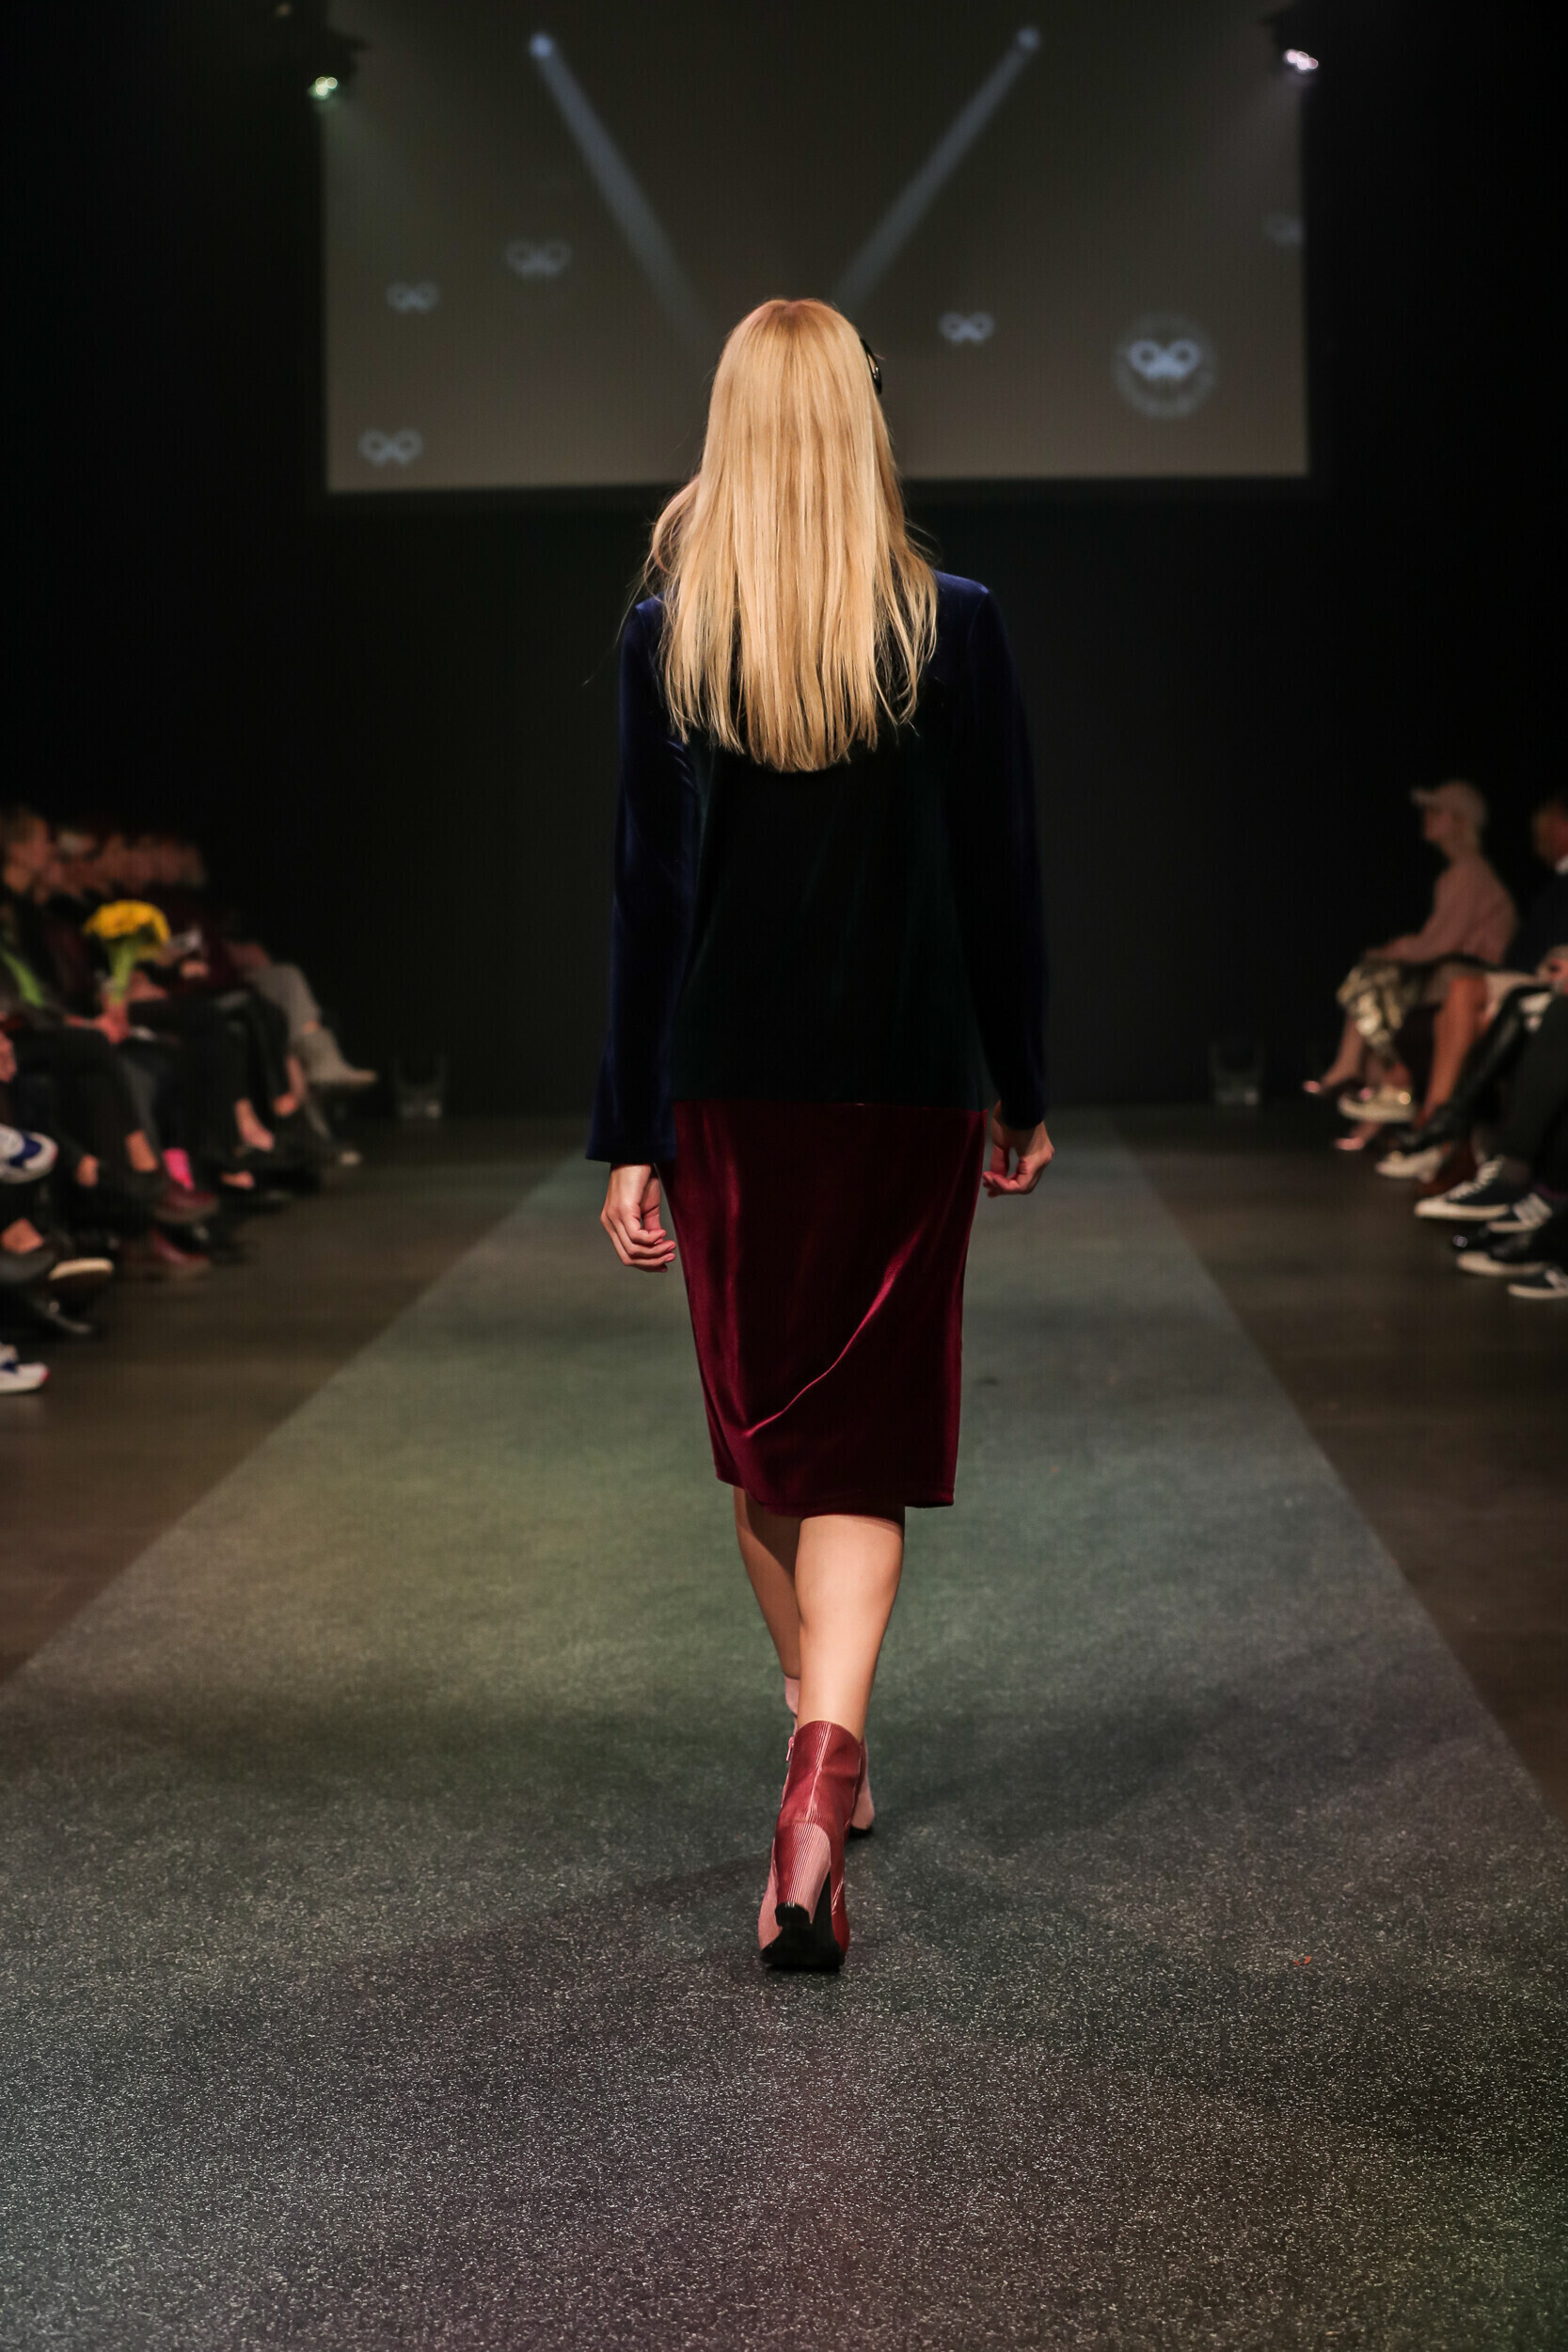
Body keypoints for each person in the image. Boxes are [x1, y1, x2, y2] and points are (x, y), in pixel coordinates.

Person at [587, 299, 1052, 1973]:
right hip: (906, 1084)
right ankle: (821, 1767)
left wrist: (630, 1132)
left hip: (730, 1093)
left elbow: (648, 907)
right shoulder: (951, 625)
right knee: (856, 1450)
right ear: (862, 423)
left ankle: (811, 1746)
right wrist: (1020, 1082)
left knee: (768, 1451)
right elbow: (999, 878)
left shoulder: (672, 637)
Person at [1307, 779, 1515, 1144]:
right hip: (1450, 974)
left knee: (1375, 983)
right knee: (1380, 995)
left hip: (1468, 978)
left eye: (1436, 811)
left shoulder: (1469, 873)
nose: (1427, 817)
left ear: (1459, 821)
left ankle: (1355, 1078)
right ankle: (1368, 1097)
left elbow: (1441, 942)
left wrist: (1394, 950)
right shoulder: (1460, 873)